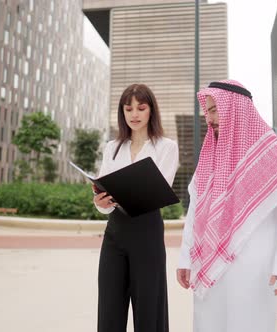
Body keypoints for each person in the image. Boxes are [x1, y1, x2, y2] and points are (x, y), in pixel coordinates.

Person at [176, 80, 277, 332]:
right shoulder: (211, 156)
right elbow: (195, 213)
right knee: (208, 324)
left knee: (249, 324)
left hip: (254, 268)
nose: (210, 118)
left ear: (235, 110)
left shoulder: (272, 155)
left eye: (216, 110)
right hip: (209, 264)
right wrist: (186, 258)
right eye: (209, 111)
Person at [94, 83, 179, 332]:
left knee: (149, 310)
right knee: (109, 307)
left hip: (147, 231)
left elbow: (158, 192)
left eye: (141, 108)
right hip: (115, 233)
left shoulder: (167, 147)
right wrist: (100, 203)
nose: (134, 114)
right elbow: (104, 199)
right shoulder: (112, 147)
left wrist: (126, 193)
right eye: (128, 108)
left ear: (151, 111)